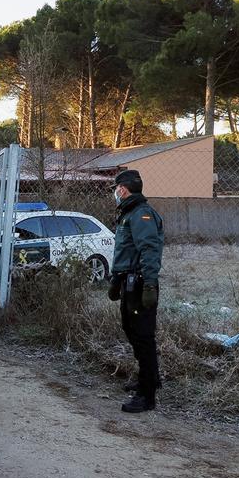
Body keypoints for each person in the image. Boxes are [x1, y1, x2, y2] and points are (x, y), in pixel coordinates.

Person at [107, 169, 164, 413]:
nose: (115, 193)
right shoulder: (129, 214)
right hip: (128, 282)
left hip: (140, 284)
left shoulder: (141, 215)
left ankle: (147, 396)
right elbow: (126, 252)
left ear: (123, 189)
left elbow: (149, 250)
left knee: (143, 337)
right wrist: (115, 279)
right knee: (132, 330)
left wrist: (149, 285)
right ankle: (149, 378)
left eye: (116, 188)